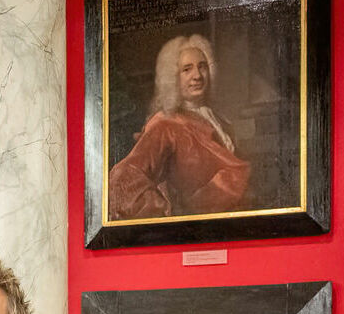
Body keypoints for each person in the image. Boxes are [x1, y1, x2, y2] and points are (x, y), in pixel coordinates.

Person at [107, 33, 250, 220]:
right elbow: (123, 178)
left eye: (202, 67)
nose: (197, 76)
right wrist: (169, 216)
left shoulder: (221, 121)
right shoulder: (165, 124)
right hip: (197, 230)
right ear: (172, 77)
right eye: (187, 70)